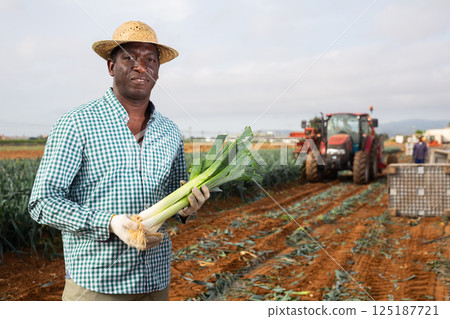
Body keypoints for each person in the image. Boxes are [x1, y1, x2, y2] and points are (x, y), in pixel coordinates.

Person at [28, 21, 210, 301]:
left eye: (150, 60)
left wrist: (187, 209)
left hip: (156, 282)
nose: (141, 66)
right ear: (112, 67)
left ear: (158, 71)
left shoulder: (170, 131)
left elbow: (176, 193)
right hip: (97, 286)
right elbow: (43, 201)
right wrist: (110, 223)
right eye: (130, 58)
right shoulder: (77, 123)